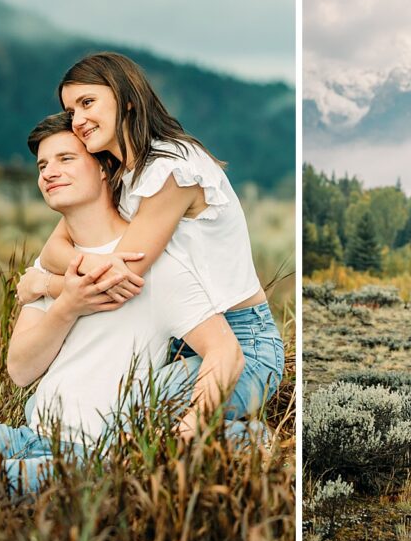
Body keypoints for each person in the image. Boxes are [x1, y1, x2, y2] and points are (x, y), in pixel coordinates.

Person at [0, 114, 244, 492]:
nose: (49, 172)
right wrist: (68, 304)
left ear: (105, 168)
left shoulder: (150, 263)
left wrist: (183, 434)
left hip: (88, 459)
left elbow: (225, 352)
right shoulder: (48, 268)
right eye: (42, 165)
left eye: (66, 158)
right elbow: (20, 369)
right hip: (26, 438)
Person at [22, 52, 284, 437]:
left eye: (87, 103)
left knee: (120, 417)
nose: (77, 121)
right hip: (176, 341)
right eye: (71, 110)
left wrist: (45, 286)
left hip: (241, 346)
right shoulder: (119, 174)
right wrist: (65, 274)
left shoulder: (172, 169)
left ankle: (248, 444)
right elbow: (53, 251)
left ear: (127, 99)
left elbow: (123, 278)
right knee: (73, 411)